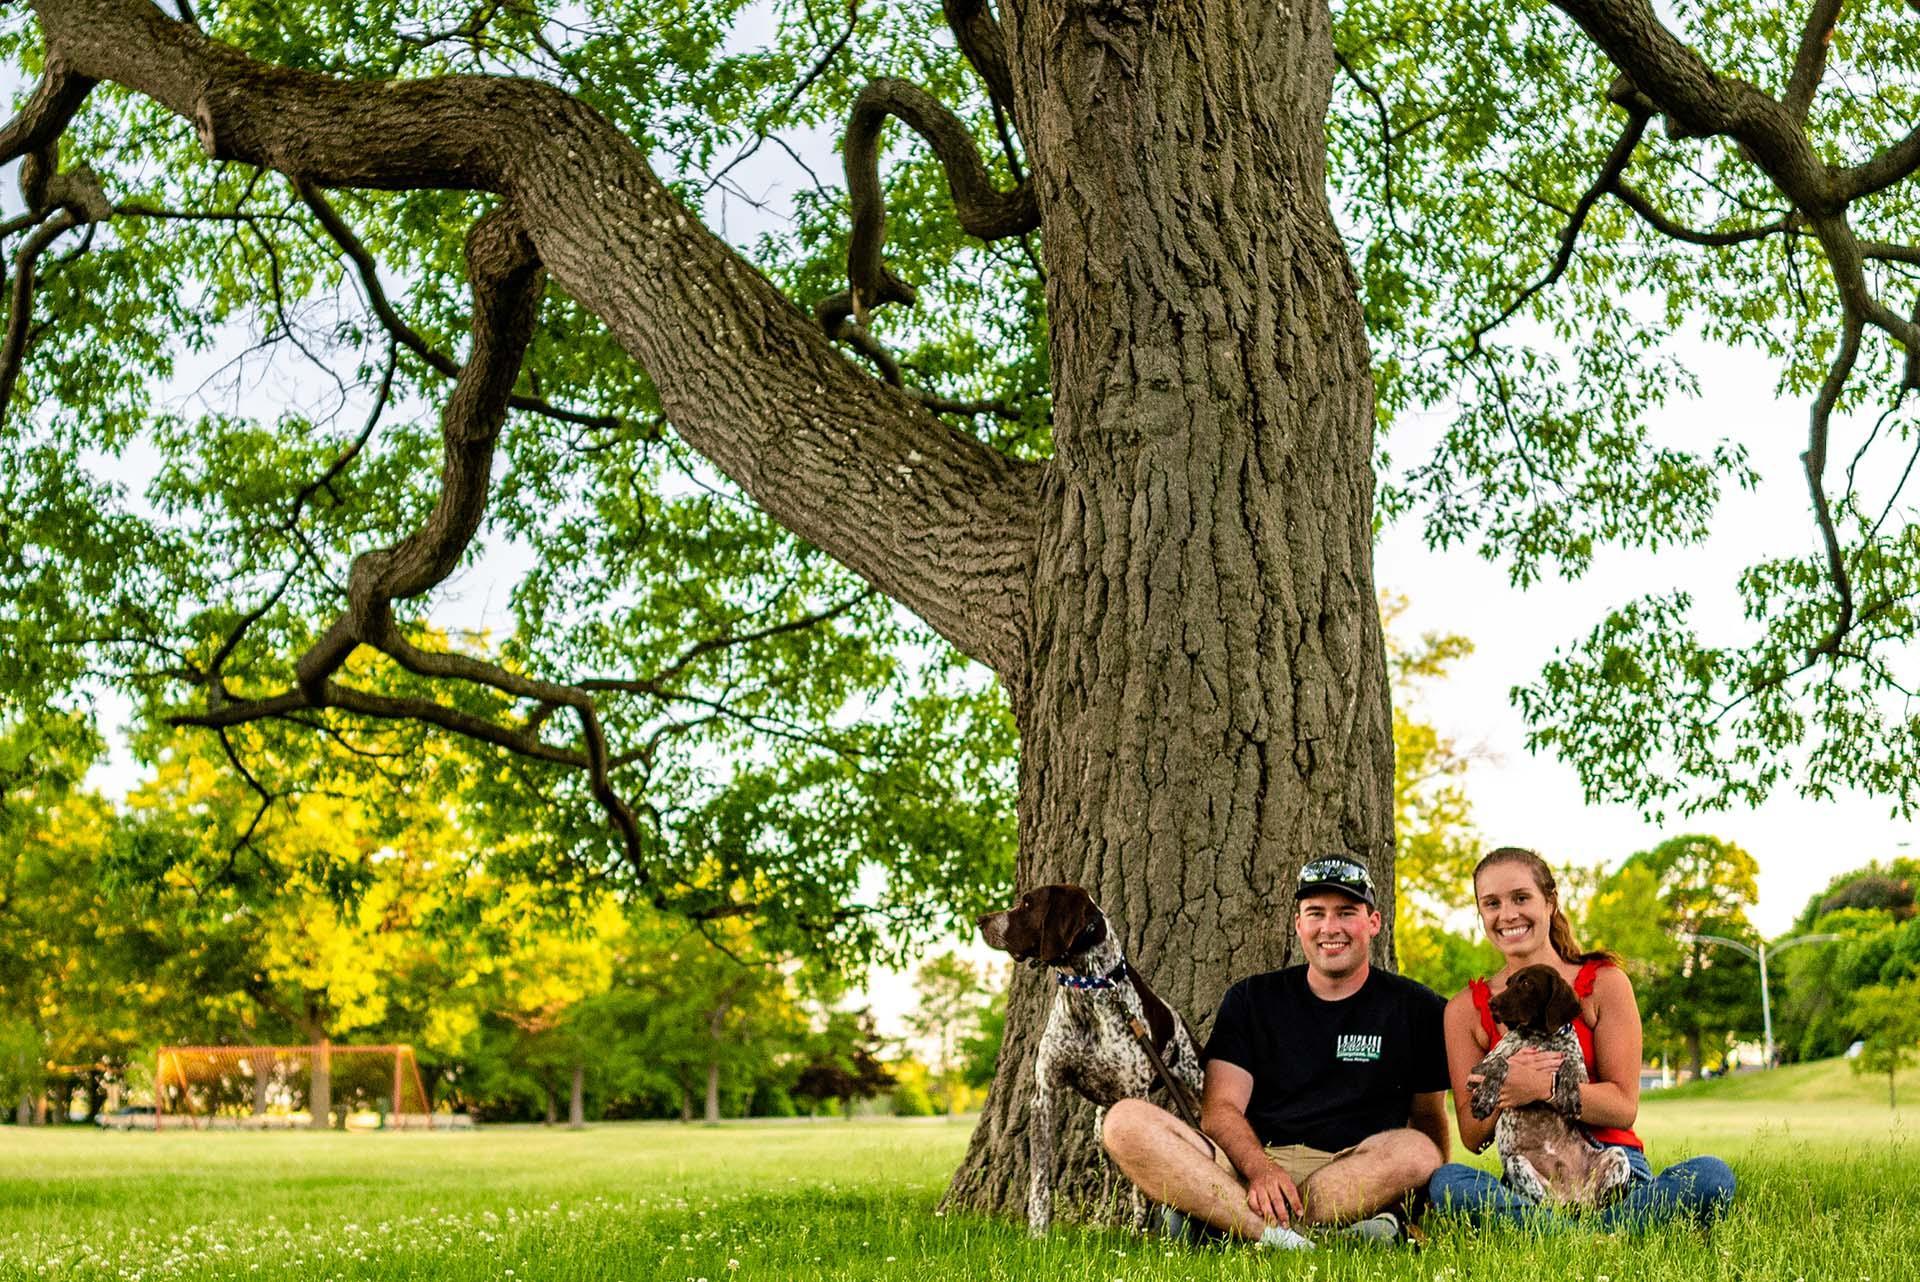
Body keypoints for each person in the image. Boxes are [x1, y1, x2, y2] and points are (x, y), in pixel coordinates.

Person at [1102, 854, 1450, 1249]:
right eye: (1315, 913)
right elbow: (1220, 1110)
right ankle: (1286, 1236)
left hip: (1348, 1171)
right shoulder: (1251, 998)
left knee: (1418, 1151)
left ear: (1373, 923)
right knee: (1123, 1121)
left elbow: (1428, 1119)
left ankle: (1221, 1223)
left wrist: (1429, 1203)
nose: (1329, 928)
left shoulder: (1417, 1007)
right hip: (1246, 1167)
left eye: (1346, 913)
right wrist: (1262, 1171)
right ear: (1299, 924)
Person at [1427, 846, 1737, 1229]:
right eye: (1491, 903)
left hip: (1612, 1169)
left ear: (1550, 902)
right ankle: (1608, 1235)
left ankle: (1558, 1235)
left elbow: (1623, 1107)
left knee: (1711, 1177)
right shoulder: (1465, 1010)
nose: (1507, 915)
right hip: (1530, 1177)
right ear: (1481, 913)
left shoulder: (1604, 983)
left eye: (1521, 898)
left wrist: (1542, 1086)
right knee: (1447, 1184)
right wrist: (1508, 1081)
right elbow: (1473, 1136)